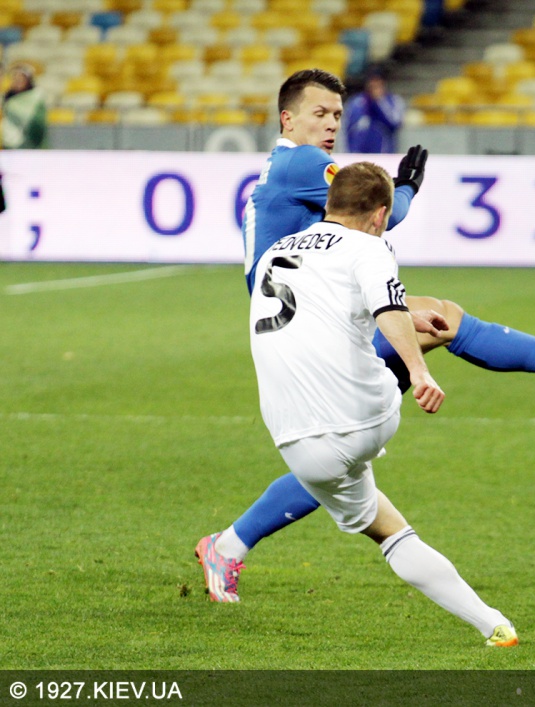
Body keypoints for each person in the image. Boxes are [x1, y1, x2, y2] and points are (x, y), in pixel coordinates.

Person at [197, 68, 535, 602]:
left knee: (342, 450)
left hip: (307, 326)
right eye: (319, 113)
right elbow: (380, 213)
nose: (331, 124)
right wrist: (405, 186)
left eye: (337, 115)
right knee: (361, 422)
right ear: (287, 119)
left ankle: (228, 546)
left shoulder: (283, 169)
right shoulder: (301, 162)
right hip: (311, 332)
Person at [215, 160, 518, 646]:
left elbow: (327, 306)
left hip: (295, 443)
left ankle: (494, 625)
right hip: (366, 417)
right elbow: (386, 304)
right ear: (380, 215)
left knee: (391, 532)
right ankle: (493, 624)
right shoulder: (369, 247)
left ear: (329, 203)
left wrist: (407, 316)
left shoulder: (277, 251)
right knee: (437, 325)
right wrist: (418, 370)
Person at [342, 66, 404, 154]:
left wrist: (378, 102)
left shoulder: (394, 101)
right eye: (371, 81)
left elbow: (395, 123)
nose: (374, 85)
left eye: (378, 82)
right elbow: (346, 127)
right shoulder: (355, 101)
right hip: (357, 153)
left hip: (384, 154)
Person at [1, 63, 47, 149]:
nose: (17, 81)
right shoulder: (7, 98)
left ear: (28, 80)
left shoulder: (35, 97)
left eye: (21, 79)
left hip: (29, 143)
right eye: (15, 78)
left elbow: (38, 124)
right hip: (8, 144)